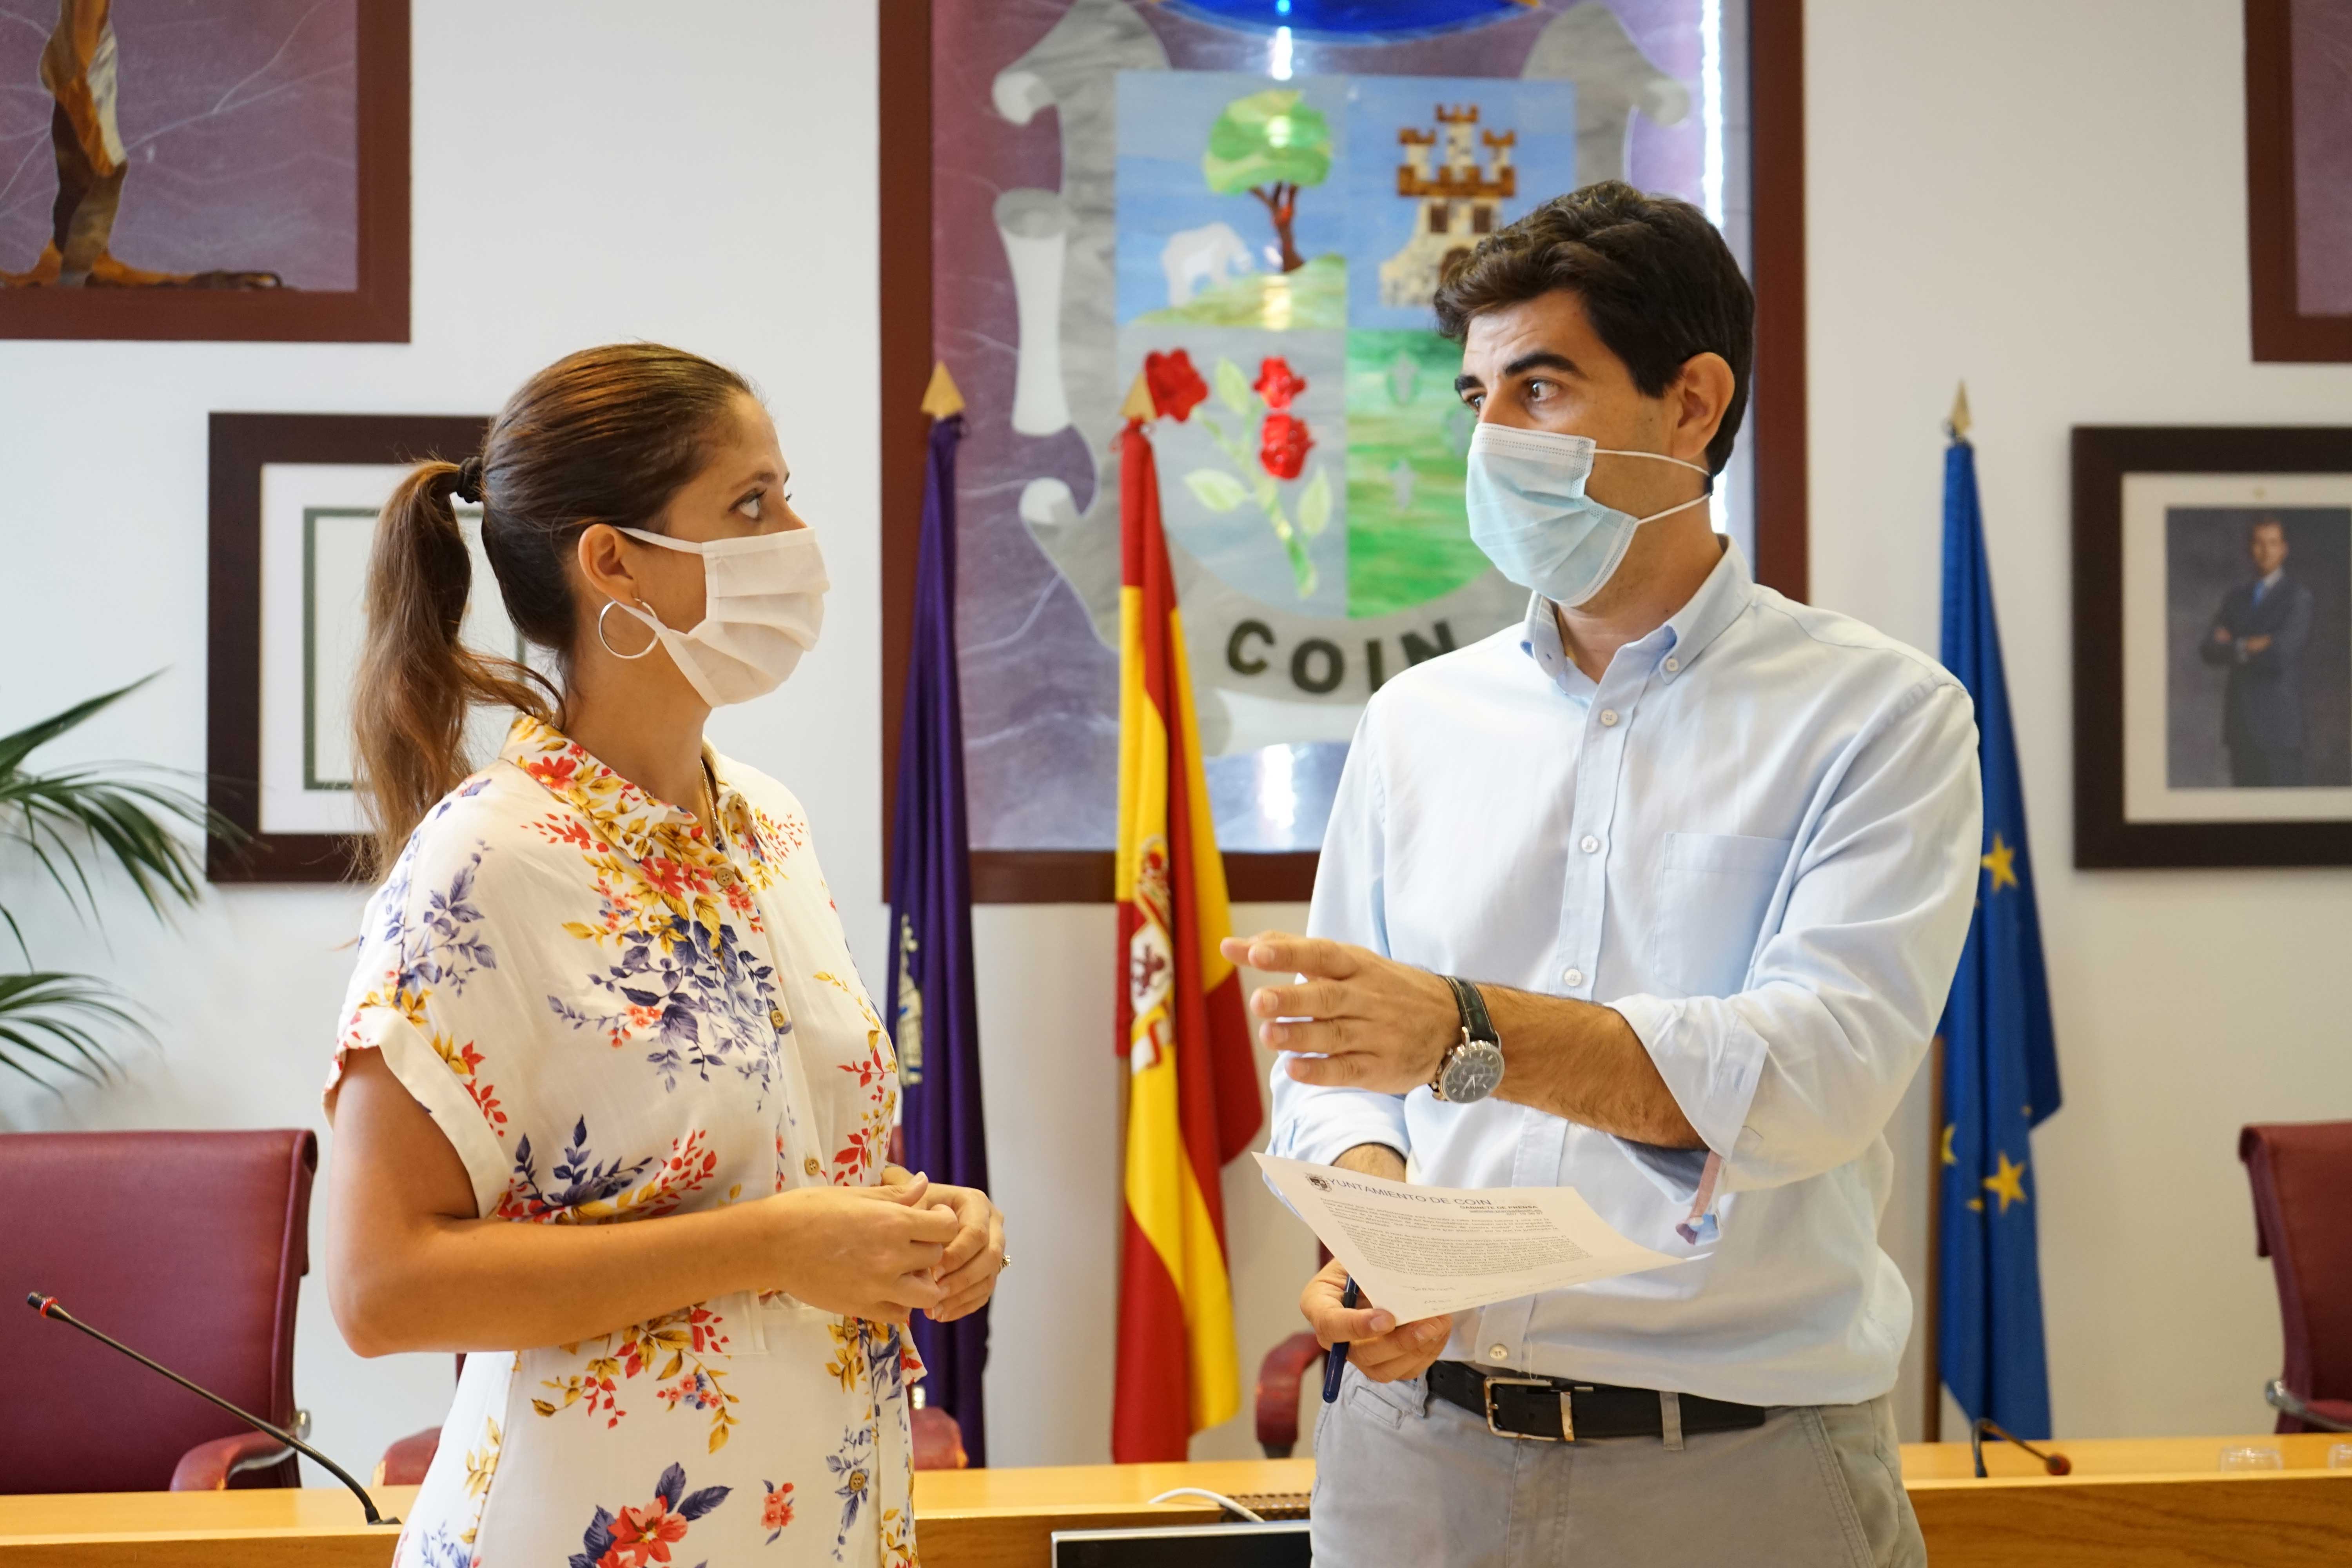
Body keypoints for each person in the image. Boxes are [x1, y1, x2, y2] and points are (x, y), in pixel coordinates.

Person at [1232, 183, 1981, 1568]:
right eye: (1477, 399)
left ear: (1691, 404)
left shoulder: (1879, 716)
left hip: (1735, 1471)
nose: (1492, 441)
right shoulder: (1417, 721)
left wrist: (1464, 1029)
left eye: (1541, 389)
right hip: (1415, 1459)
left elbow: (1816, 1074)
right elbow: (1336, 1068)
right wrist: (1377, 1229)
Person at [323, 344, 1003, 1567]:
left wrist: (919, 1226)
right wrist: (777, 1245)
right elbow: (380, 1288)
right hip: (585, 1527)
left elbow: (778, 1165)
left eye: (786, 494)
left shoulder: (768, 823)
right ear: (612, 562)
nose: (797, 536)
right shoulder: (484, 860)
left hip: (820, 1517)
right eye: (750, 503)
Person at [2200, 514, 2312, 786]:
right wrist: (2248, 644)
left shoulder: (2297, 597)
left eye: (2273, 543)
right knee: (2244, 808)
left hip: (2279, 729)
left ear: (2284, 549)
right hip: (2240, 726)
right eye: (2259, 543)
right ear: (2250, 549)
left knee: (2281, 809)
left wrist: (2233, 643)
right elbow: (2209, 650)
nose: (2266, 551)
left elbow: (2280, 656)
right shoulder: (2235, 597)